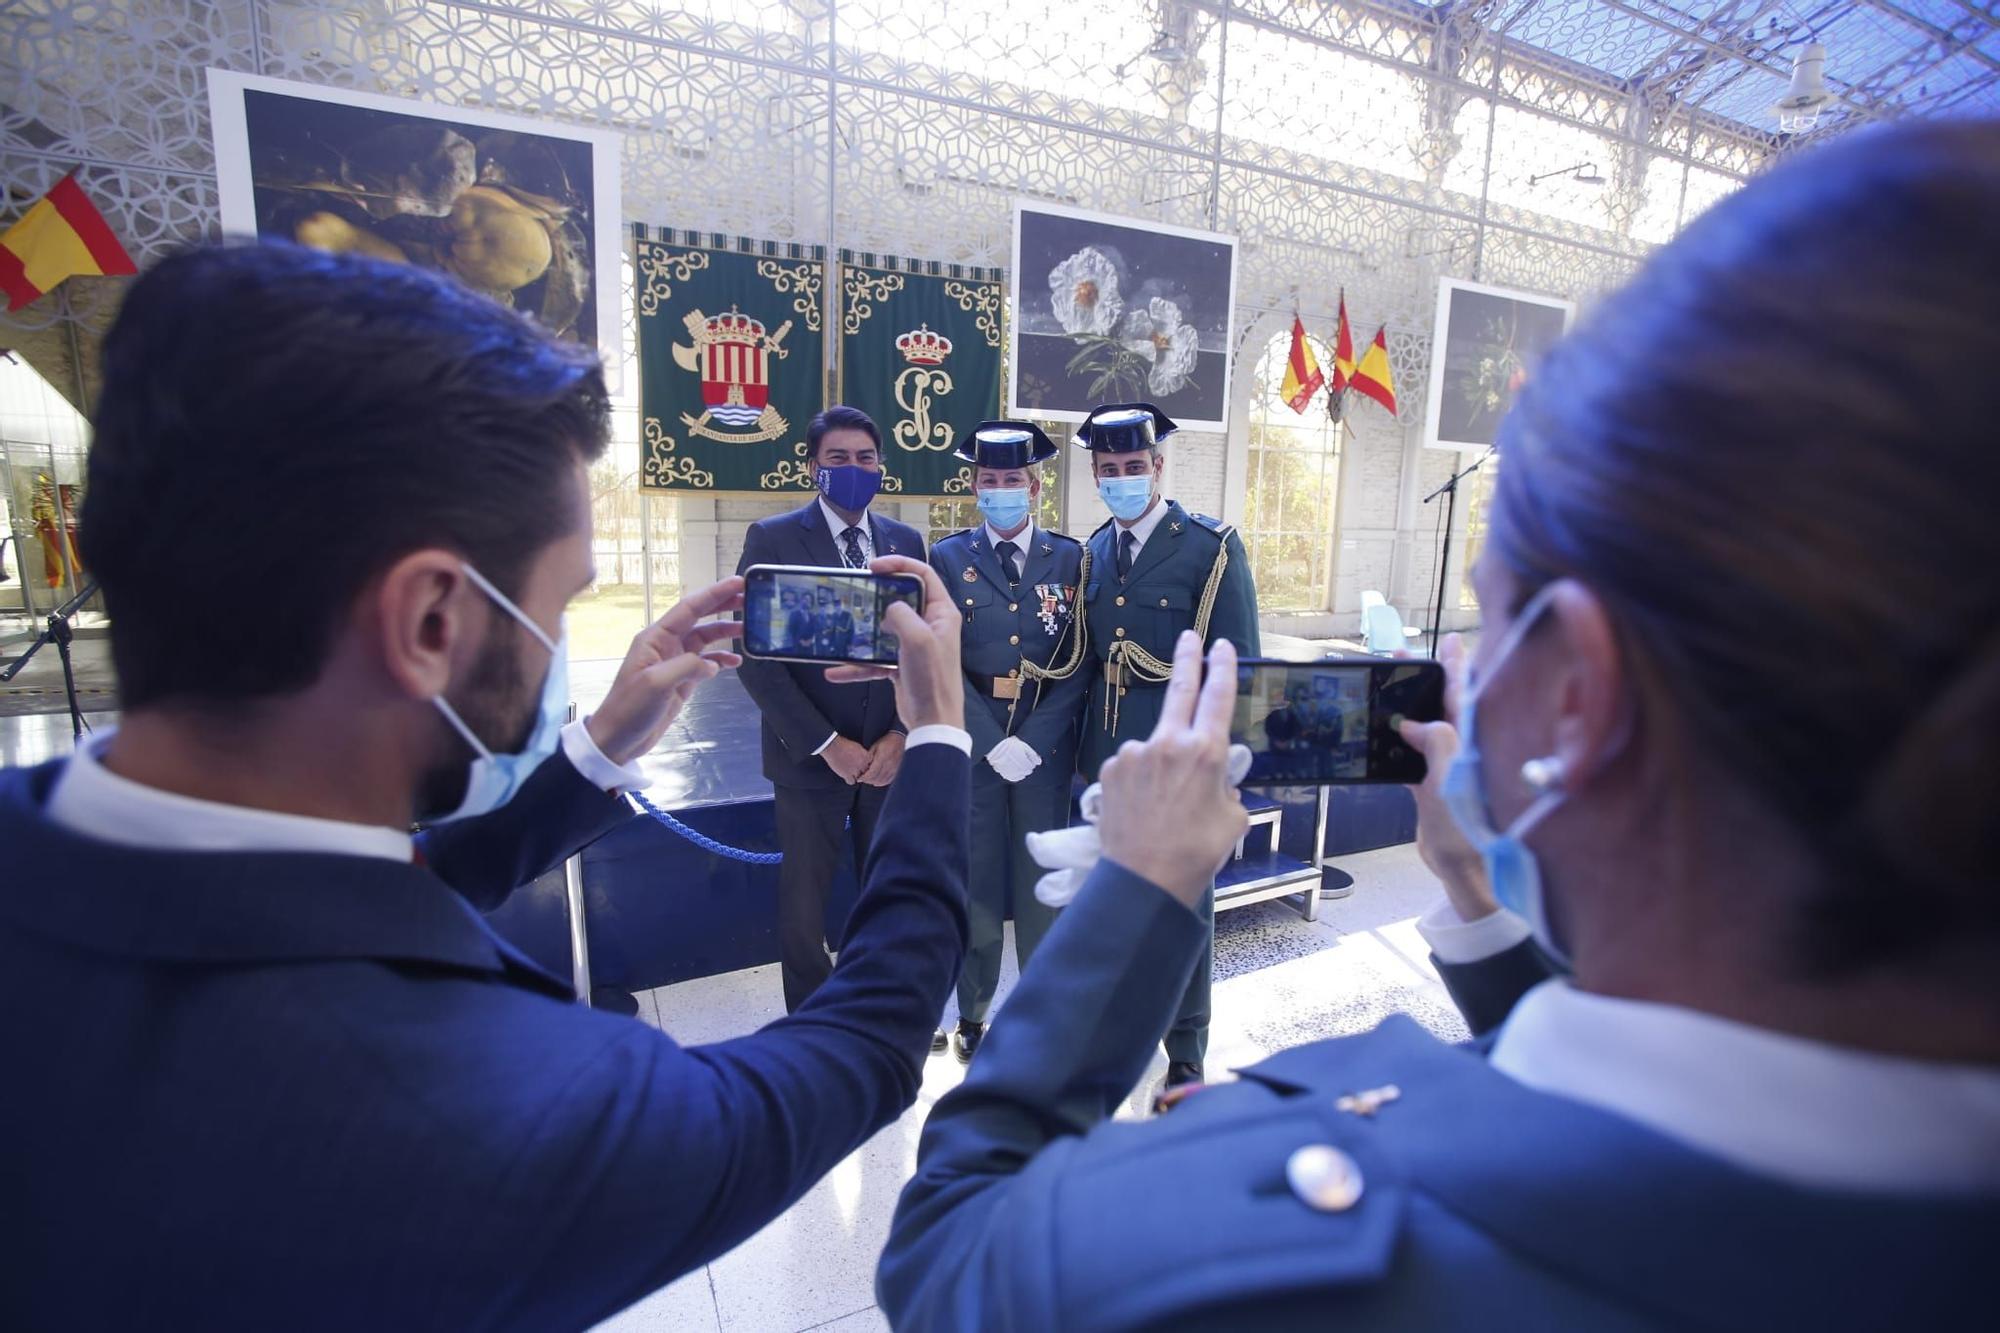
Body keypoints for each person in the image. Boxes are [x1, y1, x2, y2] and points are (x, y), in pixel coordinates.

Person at [877, 121, 2000, 1329]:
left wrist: (1140, 892)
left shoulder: (1236, 1250)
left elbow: (951, 1246)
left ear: (1576, 695)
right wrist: (1478, 911)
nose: (1456, 664)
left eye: (1485, 617)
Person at [0, 243, 975, 1332]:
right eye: (554, 604)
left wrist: (600, 744)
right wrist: (939, 736)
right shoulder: (497, 1106)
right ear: (428, 624)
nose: (558, 641)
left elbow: (376, 886)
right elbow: (868, 1045)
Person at [1075, 401, 1260, 1089]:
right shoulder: (1093, 550)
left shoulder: (1209, 548)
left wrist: (1226, 771)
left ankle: (1186, 1039)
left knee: (1185, 900)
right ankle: (1120, 1016)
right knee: (1112, 893)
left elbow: (1240, 665)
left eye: (1132, 466)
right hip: (1109, 758)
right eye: (1107, 470)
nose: (1121, 478)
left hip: (1178, 757)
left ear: (1157, 466)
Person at [735, 406, 926, 1012]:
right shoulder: (775, 539)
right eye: (837, 459)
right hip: (810, 758)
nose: (853, 469)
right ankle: (813, 1023)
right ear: (813, 467)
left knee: (889, 890)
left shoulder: (906, 542)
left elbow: (918, 650)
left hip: (889, 757)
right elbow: (755, 654)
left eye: (865, 459)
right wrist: (826, 744)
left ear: (880, 467)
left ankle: (881, 1003)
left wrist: (898, 733)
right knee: (804, 904)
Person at [928, 421, 1087, 1062]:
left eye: (1012, 481)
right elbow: (939, 657)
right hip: (976, 744)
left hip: (1044, 747)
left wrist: (1036, 739)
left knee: (1043, 883)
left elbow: (1080, 660)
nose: (1000, 492)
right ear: (974, 487)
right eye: (988, 482)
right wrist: (987, 736)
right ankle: (973, 1011)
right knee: (979, 883)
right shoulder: (947, 558)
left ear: (1035, 486)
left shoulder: (1073, 559)